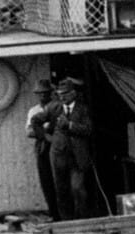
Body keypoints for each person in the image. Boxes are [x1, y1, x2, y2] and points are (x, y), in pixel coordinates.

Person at [43, 76, 93, 220]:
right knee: (62, 190)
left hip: (77, 157)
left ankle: (82, 220)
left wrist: (70, 125)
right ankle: (67, 220)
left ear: (73, 94)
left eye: (65, 94)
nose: (62, 97)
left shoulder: (83, 109)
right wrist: (47, 138)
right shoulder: (54, 108)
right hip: (59, 156)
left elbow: (89, 129)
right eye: (60, 94)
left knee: (77, 188)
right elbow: (36, 121)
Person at [25, 79, 59, 218]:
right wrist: (44, 134)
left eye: (45, 93)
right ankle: (53, 212)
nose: (43, 96)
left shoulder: (57, 107)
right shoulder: (34, 111)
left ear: (50, 93)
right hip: (43, 146)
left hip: (57, 145)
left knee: (60, 180)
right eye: (40, 93)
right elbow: (28, 132)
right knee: (46, 180)